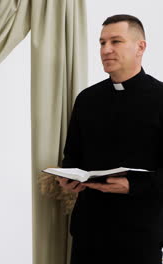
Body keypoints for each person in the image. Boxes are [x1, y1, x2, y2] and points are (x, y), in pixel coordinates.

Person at [57, 14, 163, 264]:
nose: (106, 49)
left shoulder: (161, 99)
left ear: (141, 47)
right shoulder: (87, 99)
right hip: (89, 233)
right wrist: (68, 177)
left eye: (116, 41)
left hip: (140, 235)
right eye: (102, 43)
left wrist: (133, 186)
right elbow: (72, 156)